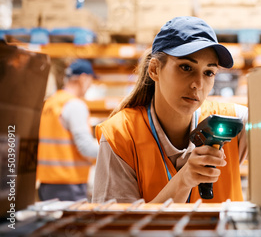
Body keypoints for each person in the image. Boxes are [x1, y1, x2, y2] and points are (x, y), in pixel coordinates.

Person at [92, 16, 248, 204]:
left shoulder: (235, 122)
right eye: (185, 67)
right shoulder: (120, 136)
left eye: (209, 72)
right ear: (154, 70)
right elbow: (117, 229)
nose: (198, 84)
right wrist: (184, 180)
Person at [37, 59, 99, 201]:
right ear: (83, 78)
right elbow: (85, 147)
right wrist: (116, 151)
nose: (90, 86)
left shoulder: (51, 103)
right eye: (90, 80)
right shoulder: (74, 105)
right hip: (68, 185)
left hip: (47, 184)